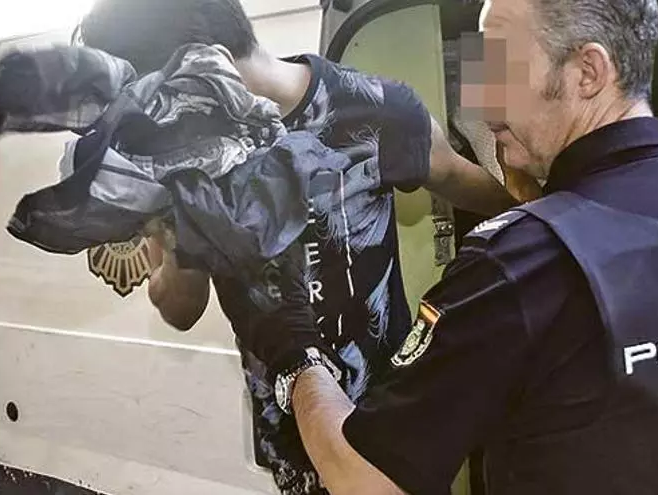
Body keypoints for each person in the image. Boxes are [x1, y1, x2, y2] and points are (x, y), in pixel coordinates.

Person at [244, 0, 658, 494]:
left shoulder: (518, 265)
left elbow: (366, 481)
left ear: (588, 71)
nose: (483, 102)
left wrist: (293, 349)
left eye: (500, 66)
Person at [78, 0, 520, 493]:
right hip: (292, 442)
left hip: (393, 439)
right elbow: (181, 308)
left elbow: (478, 191)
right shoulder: (180, 160)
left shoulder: (375, 110)